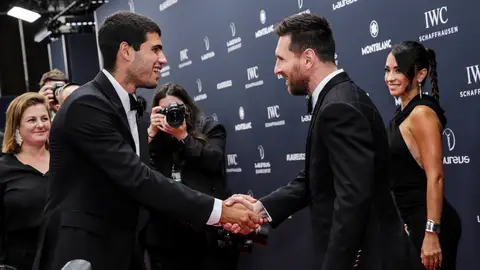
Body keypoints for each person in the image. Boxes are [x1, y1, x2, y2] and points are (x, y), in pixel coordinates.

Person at [32, 11, 259, 270]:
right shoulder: (87, 105)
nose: (163, 60)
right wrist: (219, 211)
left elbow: (148, 176)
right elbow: (139, 179)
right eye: (155, 50)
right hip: (84, 251)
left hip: (125, 247)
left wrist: (219, 204)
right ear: (126, 51)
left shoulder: (135, 109)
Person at [226, 13, 422, 270]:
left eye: (281, 59)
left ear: (308, 58)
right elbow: (317, 177)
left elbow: (352, 201)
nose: (276, 69)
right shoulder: (338, 97)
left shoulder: (338, 107)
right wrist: (262, 209)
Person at [145, 83, 239, 270]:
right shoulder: (156, 139)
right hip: (168, 235)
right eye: (164, 111)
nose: (171, 115)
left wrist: (184, 137)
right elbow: (140, 172)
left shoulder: (210, 128)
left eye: (176, 109)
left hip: (206, 233)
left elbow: (213, 162)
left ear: (187, 109)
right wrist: (149, 136)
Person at [385, 41, 461, 269]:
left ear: (420, 75)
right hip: (414, 222)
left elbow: (435, 176)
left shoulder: (422, 113)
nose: (390, 77)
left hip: (431, 227)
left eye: (398, 70)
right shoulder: (404, 112)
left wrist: (431, 232)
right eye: (387, 70)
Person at [0, 93, 51, 270]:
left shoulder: (67, 163)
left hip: (67, 259)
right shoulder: (4, 169)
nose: (40, 125)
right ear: (16, 127)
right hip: (20, 264)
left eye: (44, 118)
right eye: (31, 120)